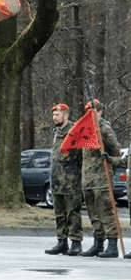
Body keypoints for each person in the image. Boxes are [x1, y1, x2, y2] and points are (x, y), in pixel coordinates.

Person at [80, 99, 122, 258]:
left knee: (106, 212)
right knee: (93, 213)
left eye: (93, 111)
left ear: (100, 112)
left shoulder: (104, 128)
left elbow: (115, 151)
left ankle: (112, 245)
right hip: (88, 179)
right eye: (87, 112)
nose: (90, 114)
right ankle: (98, 243)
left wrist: (110, 166)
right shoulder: (85, 130)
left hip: (102, 178)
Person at [44, 104, 83, 256]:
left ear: (65, 116)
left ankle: (75, 242)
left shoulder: (74, 132)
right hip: (56, 180)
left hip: (71, 180)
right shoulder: (57, 132)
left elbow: (80, 156)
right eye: (53, 115)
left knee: (72, 212)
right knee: (59, 212)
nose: (55, 118)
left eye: (57, 115)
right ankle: (62, 241)